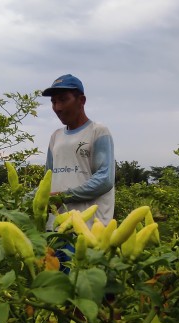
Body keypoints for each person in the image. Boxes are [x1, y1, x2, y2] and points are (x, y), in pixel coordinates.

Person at [41, 74, 115, 229]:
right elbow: (47, 181)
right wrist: (24, 200)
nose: (57, 108)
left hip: (89, 228)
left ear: (81, 101)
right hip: (56, 229)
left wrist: (63, 197)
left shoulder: (98, 132)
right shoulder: (56, 136)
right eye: (53, 102)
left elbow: (104, 179)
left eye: (63, 100)